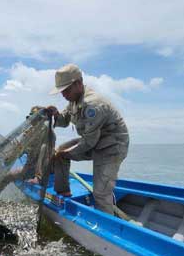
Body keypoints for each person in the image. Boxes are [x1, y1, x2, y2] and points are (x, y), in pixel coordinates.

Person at [46, 64, 129, 215]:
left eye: (66, 90)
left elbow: (89, 142)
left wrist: (65, 153)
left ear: (78, 83)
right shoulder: (74, 100)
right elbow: (64, 121)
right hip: (94, 141)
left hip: (112, 147)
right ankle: (63, 192)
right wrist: (56, 114)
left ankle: (105, 228)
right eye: (61, 91)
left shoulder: (93, 105)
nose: (63, 95)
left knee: (101, 193)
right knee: (60, 151)